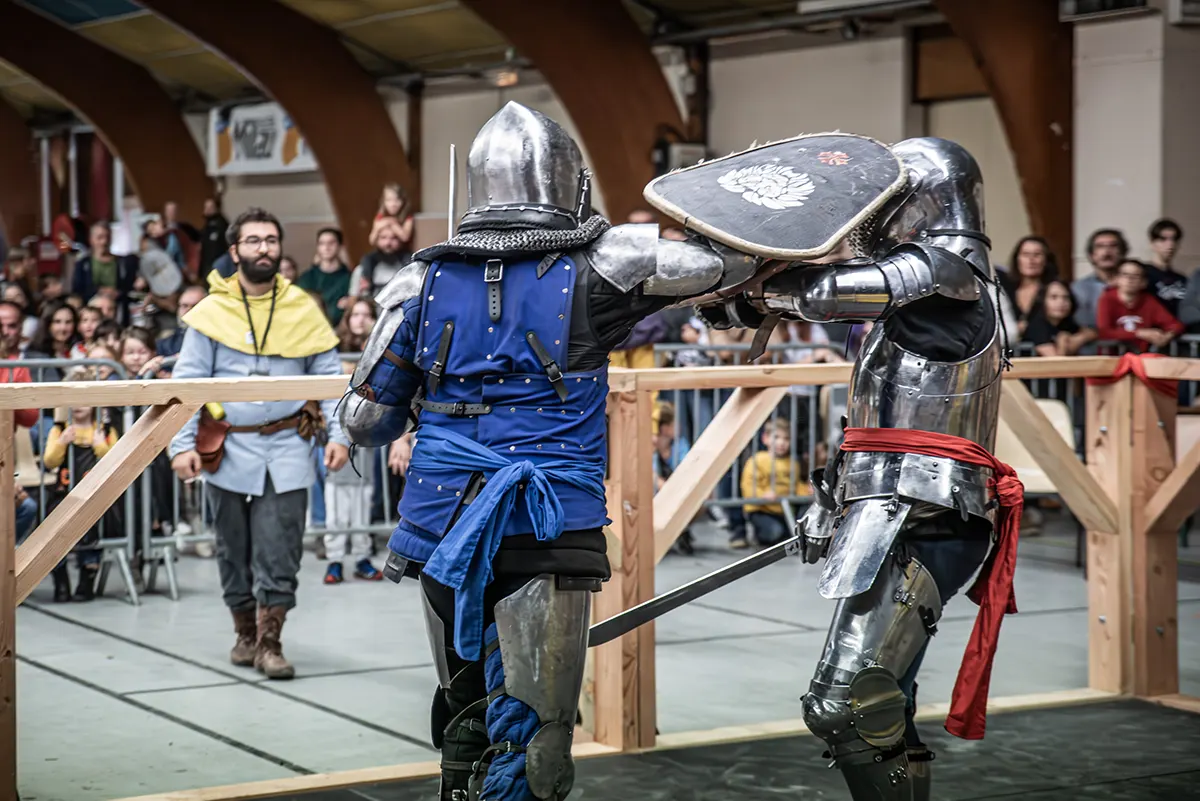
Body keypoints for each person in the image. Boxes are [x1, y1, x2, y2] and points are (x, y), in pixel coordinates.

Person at [338, 101, 755, 801]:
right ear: (568, 184)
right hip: (545, 520)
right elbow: (730, 266)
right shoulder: (605, 261)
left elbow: (365, 419)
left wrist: (438, 391)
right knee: (535, 739)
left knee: (466, 718)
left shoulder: (416, 282)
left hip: (440, 519)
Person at [661, 136, 1012, 800]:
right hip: (892, 505)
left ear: (917, 199)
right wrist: (736, 300)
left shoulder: (946, 271)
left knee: (847, 702)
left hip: (927, 508)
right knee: (883, 700)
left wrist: (745, 279)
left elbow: (823, 293)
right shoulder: (936, 280)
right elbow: (874, 408)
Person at [168, 207, 350, 680]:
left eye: (271, 240)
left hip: (289, 445)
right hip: (227, 450)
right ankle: (244, 634)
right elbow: (186, 385)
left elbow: (330, 378)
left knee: (280, 547)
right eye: (253, 241)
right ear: (234, 251)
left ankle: (271, 642)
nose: (264, 248)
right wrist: (180, 446)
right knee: (231, 548)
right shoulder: (210, 313)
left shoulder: (302, 309)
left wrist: (340, 436)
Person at [1095, 259, 1183, 353]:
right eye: (1125, 275)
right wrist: (1140, 333)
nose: (1129, 279)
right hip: (1111, 358)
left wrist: (1166, 337)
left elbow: (1175, 325)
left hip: (1139, 359)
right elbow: (1104, 332)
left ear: (1143, 283)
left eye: (1135, 276)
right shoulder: (1107, 299)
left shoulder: (1148, 301)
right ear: (1117, 279)